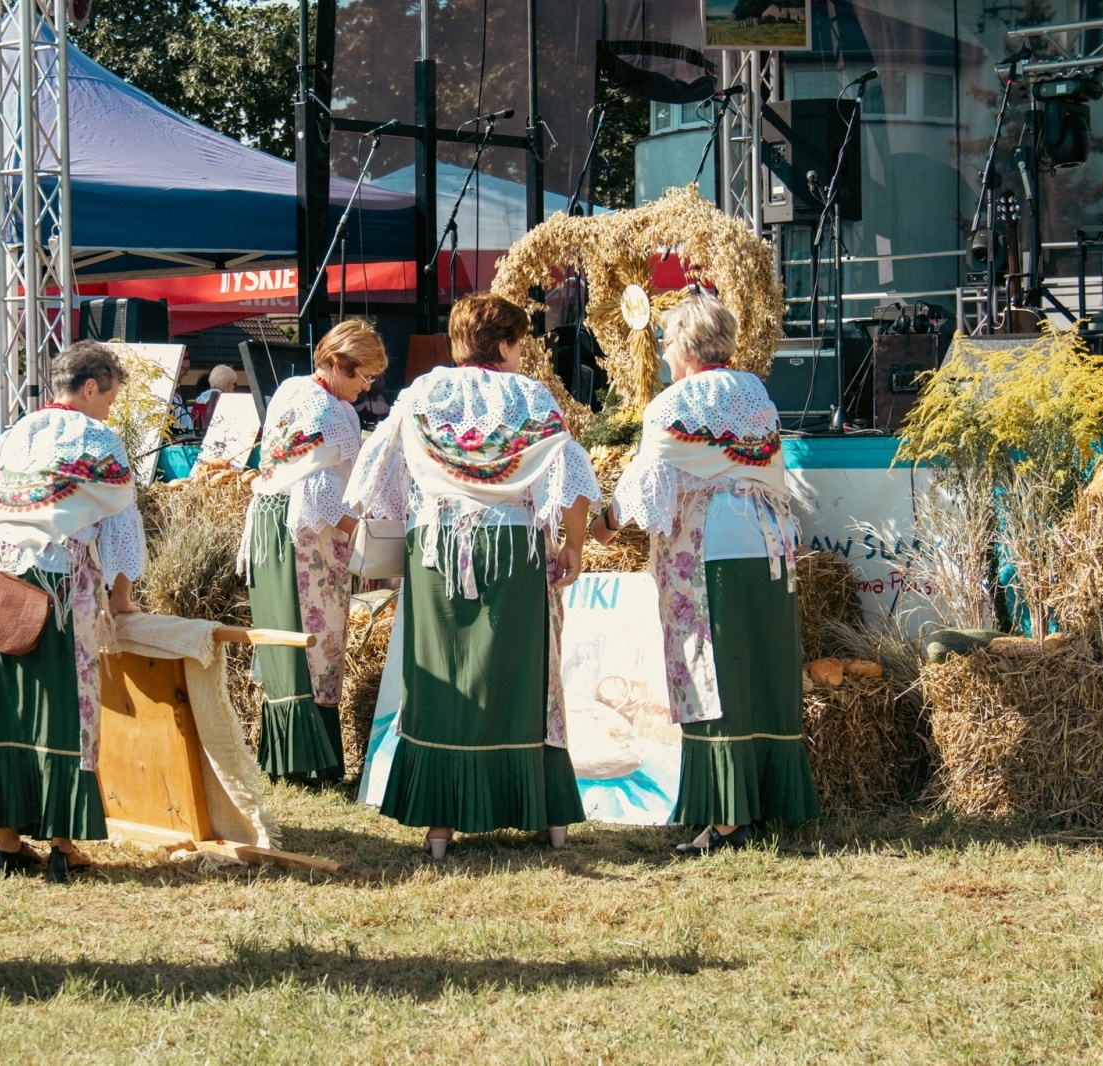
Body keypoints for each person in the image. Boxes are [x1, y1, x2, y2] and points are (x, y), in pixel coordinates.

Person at [345, 293, 600, 859]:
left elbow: (375, 470)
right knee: (524, 679)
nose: (520, 353)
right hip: (512, 545)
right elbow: (571, 473)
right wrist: (573, 545)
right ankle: (547, 815)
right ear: (505, 344)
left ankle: (440, 826)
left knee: (441, 679)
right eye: (519, 343)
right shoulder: (531, 396)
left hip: (436, 545)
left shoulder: (422, 393)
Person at [589, 294, 819, 855]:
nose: (664, 352)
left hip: (711, 547)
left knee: (711, 672)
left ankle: (727, 820)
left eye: (668, 342)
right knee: (760, 671)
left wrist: (605, 526)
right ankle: (768, 800)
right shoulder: (755, 393)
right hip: (767, 545)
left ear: (688, 348)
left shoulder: (675, 404)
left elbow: (647, 480)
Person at [0, 340, 145, 883]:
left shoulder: (15, 433)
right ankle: (63, 845)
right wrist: (121, 598)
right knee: (62, 708)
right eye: (108, 397)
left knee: (6, 707)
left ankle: (6, 844)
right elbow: (121, 523)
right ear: (89, 387)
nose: (108, 409)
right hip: (58, 587)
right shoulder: (97, 439)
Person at [237, 320, 387, 782]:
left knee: (286, 639)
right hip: (305, 534)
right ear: (339, 364)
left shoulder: (290, 389)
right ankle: (310, 762)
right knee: (314, 641)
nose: (366, 388)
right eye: (364, 376)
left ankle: (289, 758)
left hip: (271, 525)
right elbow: (320, 491)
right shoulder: (330, 411)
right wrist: (366, 535)